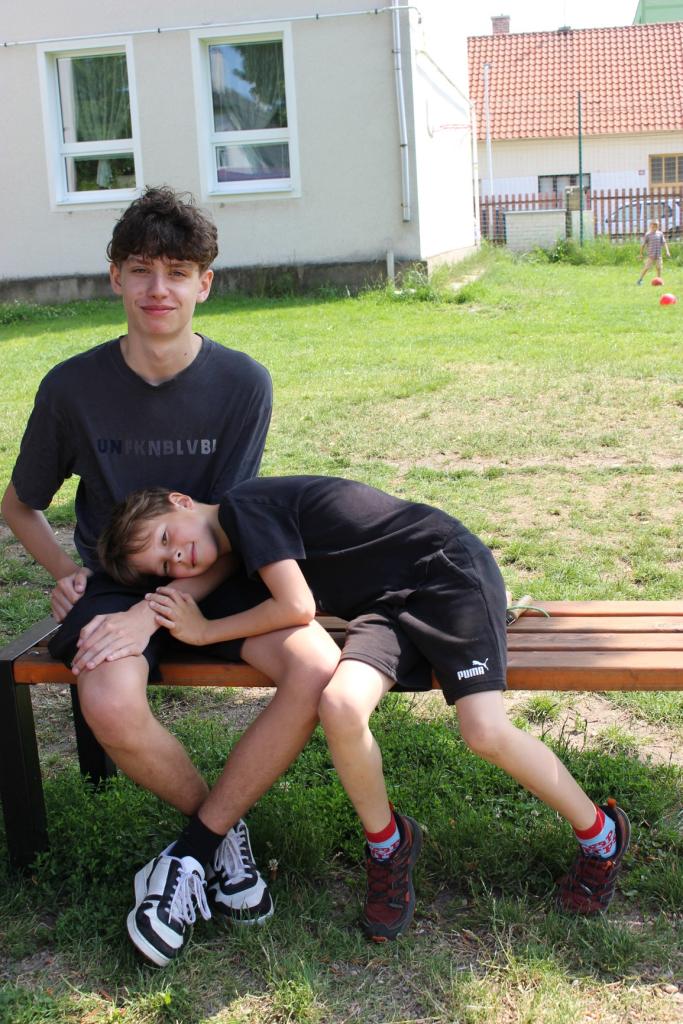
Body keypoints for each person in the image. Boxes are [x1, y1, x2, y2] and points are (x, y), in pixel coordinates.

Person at [1, 188, 340, 968]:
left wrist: (151, 618)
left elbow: (227, 531)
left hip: (218, 570)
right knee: (110, 703)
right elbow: (19, 506)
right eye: (141, 270)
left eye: (178, 272)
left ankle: (192, 850)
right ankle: (222, 834)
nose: (159, 289)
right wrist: (69, 576)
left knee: (316, 667)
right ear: (114, 276)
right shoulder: (71, 387)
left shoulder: (243, 382)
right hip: (118, 581)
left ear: (204, 284)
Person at [98, 477, 631, 944]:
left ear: (181, 500)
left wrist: (205, 632)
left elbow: (297, 607)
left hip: (446, 575)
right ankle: (388, 846)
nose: (179, 559)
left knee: (484, 731)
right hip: (385, 607)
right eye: (165, 566)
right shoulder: (235, 541)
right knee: (339, 704)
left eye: (166, 538)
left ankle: (602, 836)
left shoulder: (245, 507)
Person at [637, 220, 671, 284]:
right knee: (646, 268)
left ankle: (659, 280)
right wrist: (641, 254)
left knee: (659, 268)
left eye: (656, 226)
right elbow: (643, 245)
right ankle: (640, 279)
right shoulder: (648, 234)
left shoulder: (660, 234)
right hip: (651, 256)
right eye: (653, 226)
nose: (654, 227)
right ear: (650, 226)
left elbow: (664, 243)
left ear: (658, 226)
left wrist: (667, 251)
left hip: (658, 255)